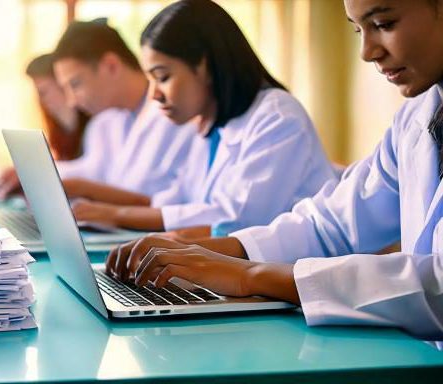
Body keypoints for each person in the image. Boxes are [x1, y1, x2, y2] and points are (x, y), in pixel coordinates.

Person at [112, 0, 443, 341]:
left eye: (384, 24)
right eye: (358, 30)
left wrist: (249, 274)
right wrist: (202, 254)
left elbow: (438, 286)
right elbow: (330, 225)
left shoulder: (276, 115)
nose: (366, 52)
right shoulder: (417, 116)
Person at [70, 0, 336, 237]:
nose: (154, 95)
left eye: (163, 77)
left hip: (288, 280)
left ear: (205, 65)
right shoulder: (211, 124)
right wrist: (101, 211)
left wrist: (117, 215)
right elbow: (176, 202)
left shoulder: (277, 118)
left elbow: (235, 222)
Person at [51, 19, 195, 205]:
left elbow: (174, 203)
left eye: (75, 84)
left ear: (111, 66)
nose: (71, 101)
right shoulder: (109, 121)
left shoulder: (176, 113)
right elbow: (93, 170)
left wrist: (88, 192)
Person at [0, 53, 89, 198]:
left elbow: (90, 171)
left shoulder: (98, 125)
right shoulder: (60, 131)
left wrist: (33, 171)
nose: (42, 101)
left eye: (44, 92)